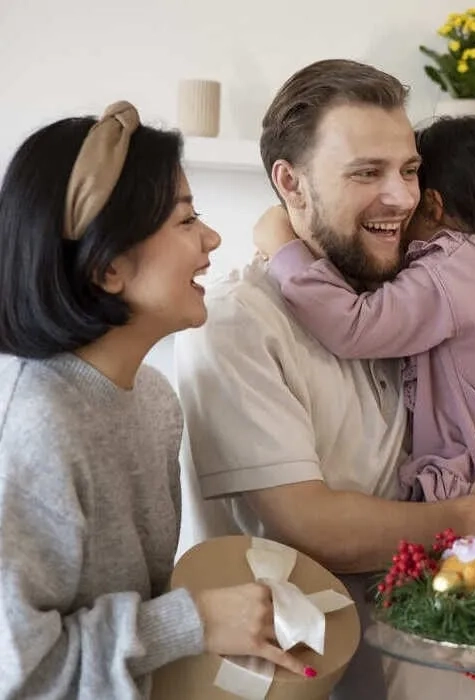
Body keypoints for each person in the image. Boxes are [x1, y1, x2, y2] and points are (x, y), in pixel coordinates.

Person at [174, 60, 475, 700]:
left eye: (409, 170)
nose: (404, 197)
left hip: (437, 662)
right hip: (313, 681)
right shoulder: (239, 321)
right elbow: (309, 527)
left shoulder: (400, 299)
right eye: (366, 173)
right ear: (290, 184)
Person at [0, 102, 311, 699]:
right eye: (186, 219)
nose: (212, 238)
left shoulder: (153, 401)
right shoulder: (34, 423)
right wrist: (195, 620)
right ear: (108, 265)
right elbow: (20, 673)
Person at [252, 114, 475, 503]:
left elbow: (354, 326)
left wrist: (284, 249)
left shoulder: (454, 267)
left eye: (410, 177)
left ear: (432, 207)